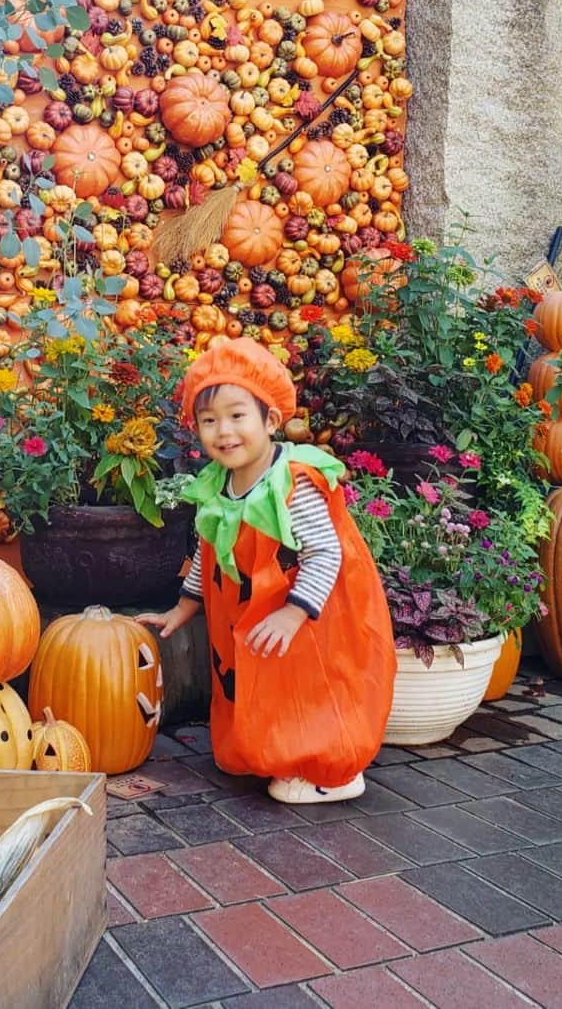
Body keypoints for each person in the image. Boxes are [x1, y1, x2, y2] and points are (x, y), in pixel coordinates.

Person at [138, 337, 395, 804]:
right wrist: (184, 606)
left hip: (308, 616)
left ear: (270, 419)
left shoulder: (293, 484)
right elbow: (209, 547)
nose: (224, 432)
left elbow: (325, 553)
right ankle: (272, 751)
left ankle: (329, 770)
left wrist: (294, 614)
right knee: (264, 685)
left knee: (310, 685)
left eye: (238, 416)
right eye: (209, 421)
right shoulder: (217, 484)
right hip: (252, 612)